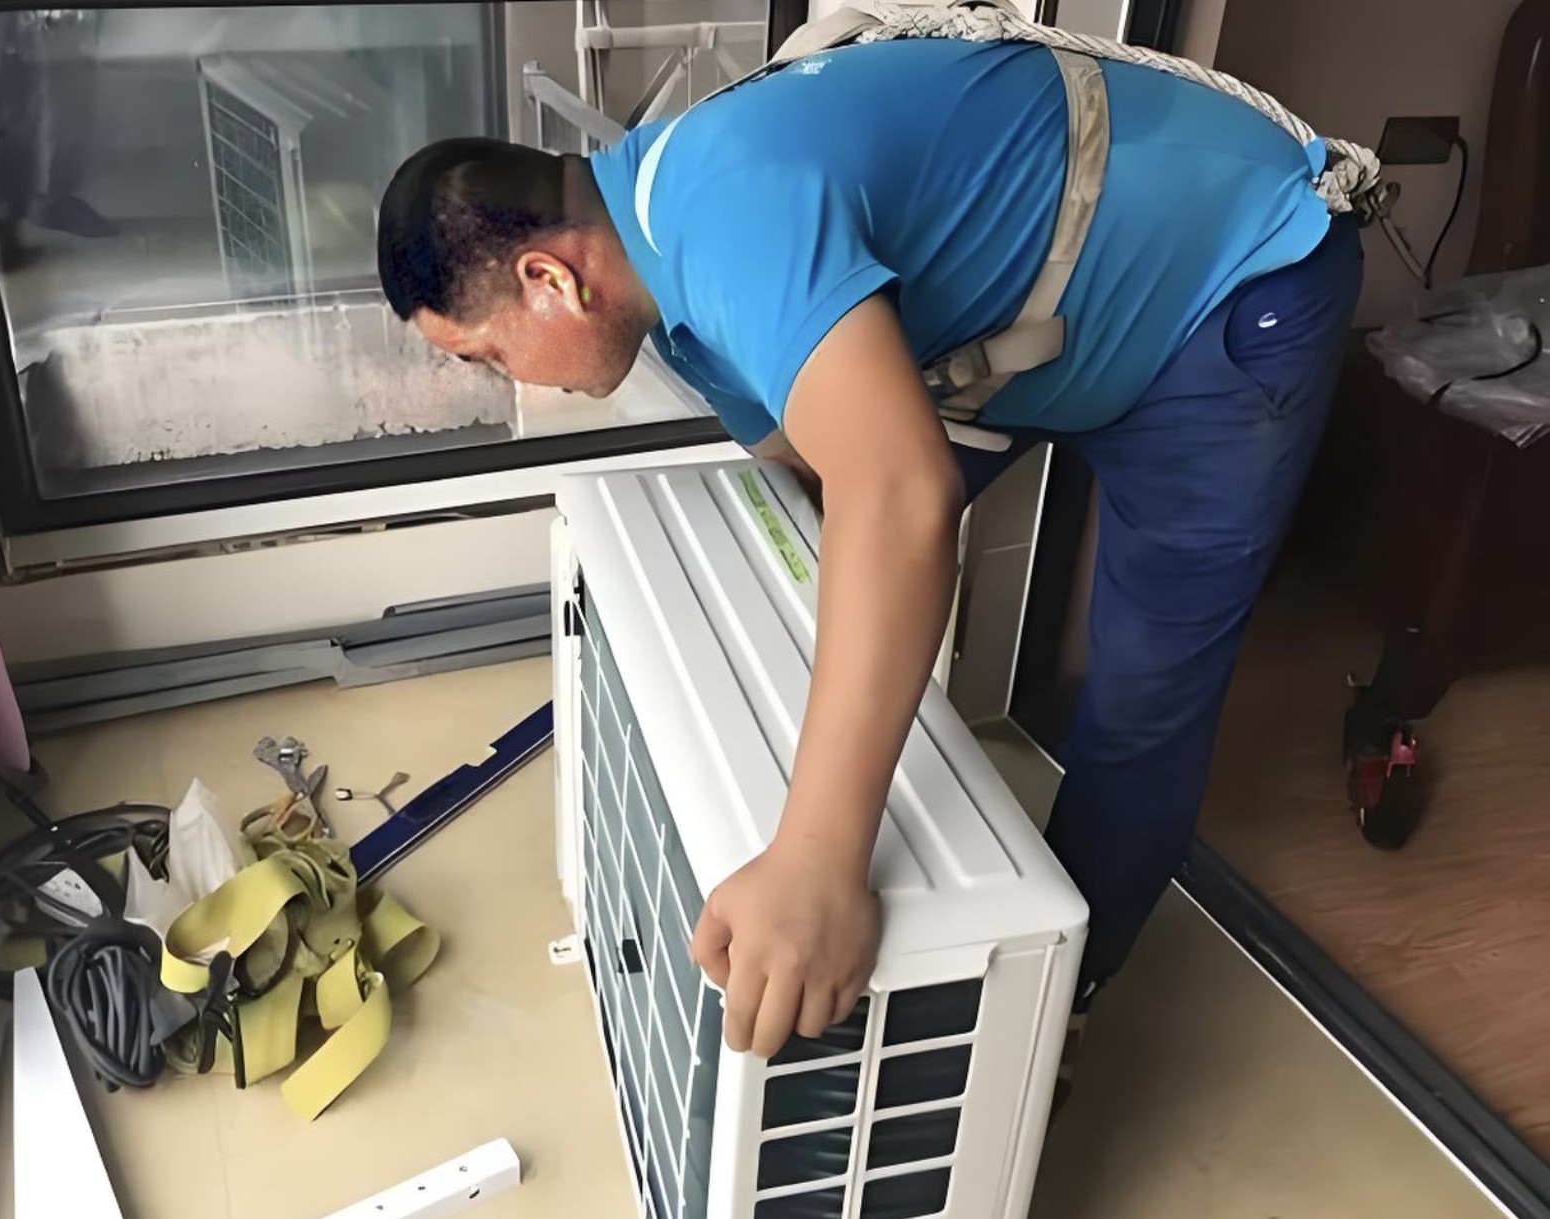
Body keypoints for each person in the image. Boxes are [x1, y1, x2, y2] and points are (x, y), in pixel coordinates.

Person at [375, 30, 1364, 1093]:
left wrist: (818, 860)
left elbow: (898, 495)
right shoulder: (673, 302)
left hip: (1231, 274)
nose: (512, 380)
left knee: (1143, 694)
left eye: (489, 353)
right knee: (859, 556)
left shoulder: (727, 217)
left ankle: (1053, 1013)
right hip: (1042, 303)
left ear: (549, 280)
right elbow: (814, 486)